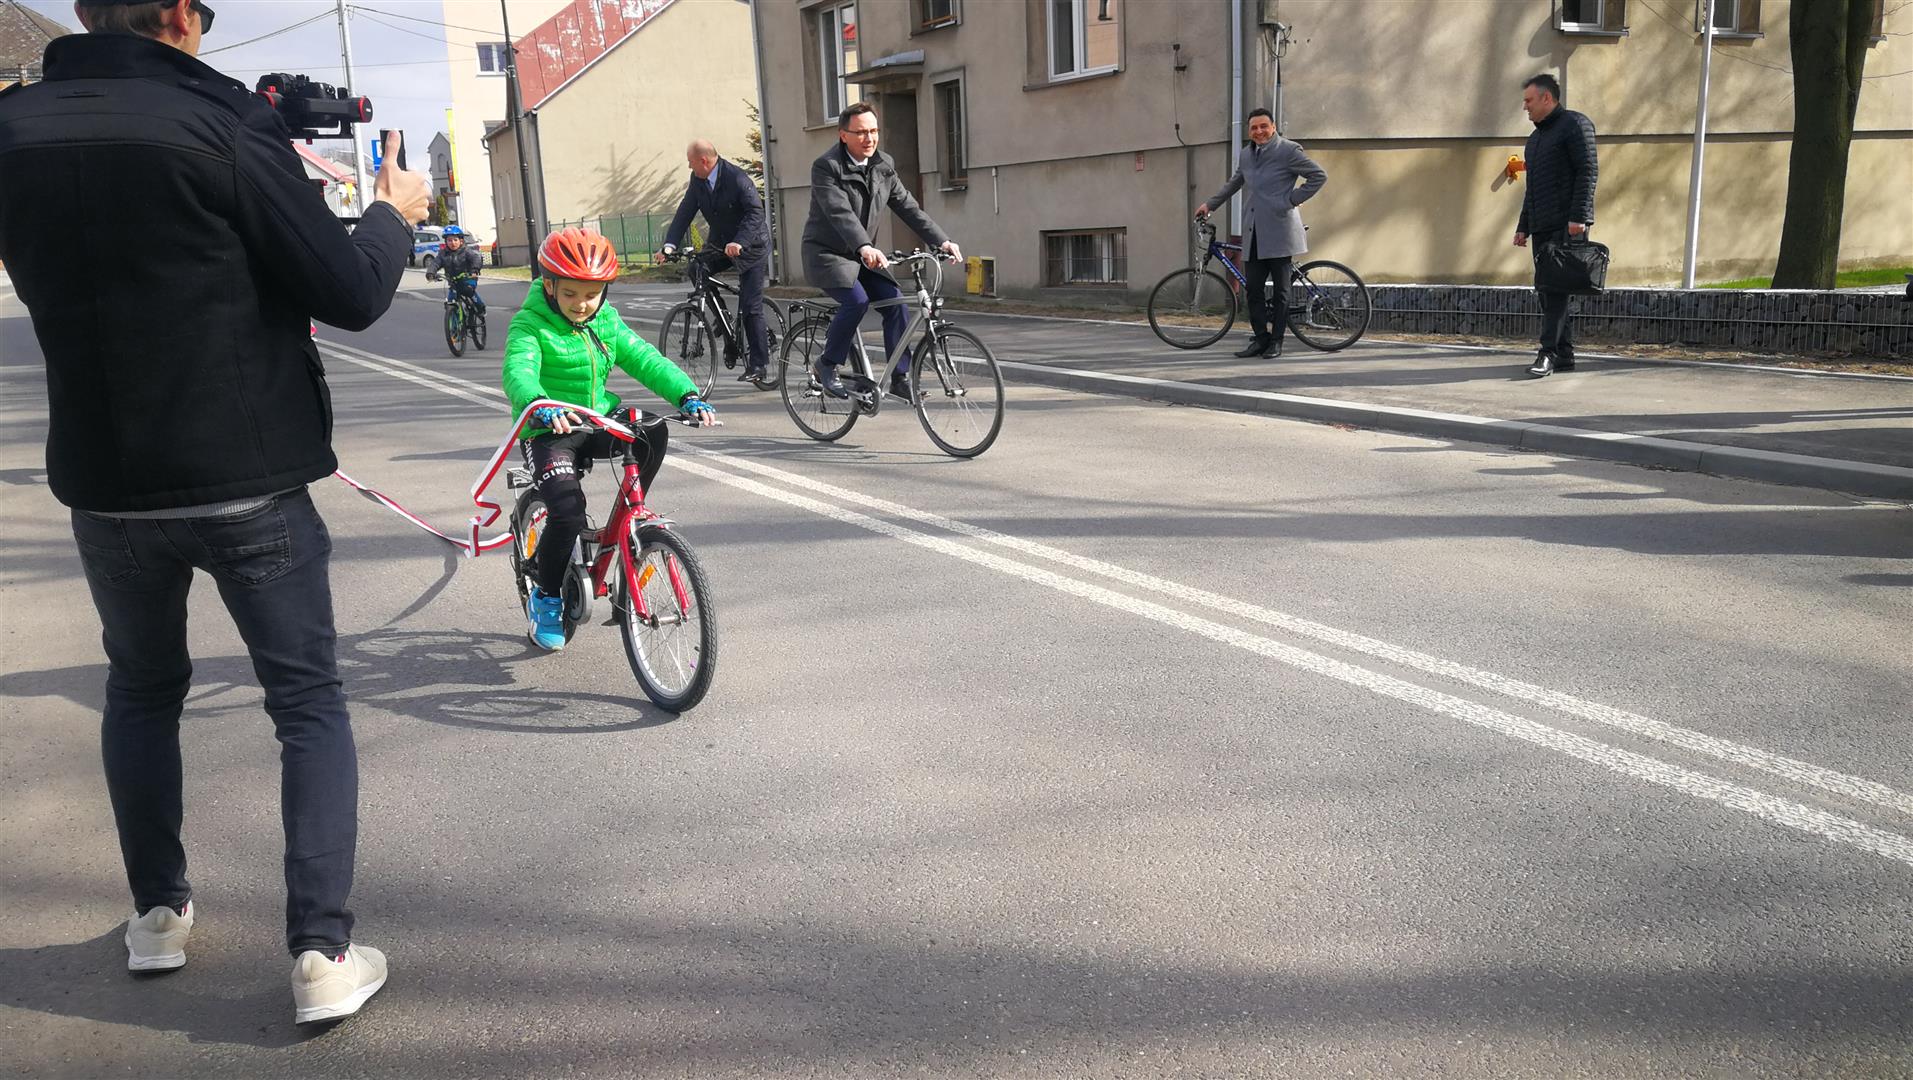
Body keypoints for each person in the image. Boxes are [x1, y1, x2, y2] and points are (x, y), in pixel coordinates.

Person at [0, 0, 431, 1024]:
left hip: (107, 484)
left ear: (85, 12)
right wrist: (393, 211)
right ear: (183, 17)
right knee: (306, 703)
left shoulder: (12, 128)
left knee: (142, 691)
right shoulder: (224, 122)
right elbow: (350, 290)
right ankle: (321, 951)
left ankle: (157, 915)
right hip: (249, 475)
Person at [502, 228, 717, 651]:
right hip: (549, 429)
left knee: (652, 429)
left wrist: (687, 395)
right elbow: (518, 372)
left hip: (595, 419)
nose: (582, 304)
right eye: (570, 294)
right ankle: (546, 597)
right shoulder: (529, 324)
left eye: (592, 294)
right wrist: (539, 404)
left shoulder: (605, 321)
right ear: (549, 286)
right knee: (567, 513)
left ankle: (630, 519)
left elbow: (645, 359)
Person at [801, 101, 961, 400]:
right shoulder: (827, 167)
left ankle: (900, 378)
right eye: (861, 132)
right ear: (843, 135)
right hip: (828, 255)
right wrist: (864, 245)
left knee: (896, 303)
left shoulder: (883, 165)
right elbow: (839, 212)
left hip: (862, 256)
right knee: (857, 301)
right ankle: (827, 364)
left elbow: (908, 207)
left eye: (874, 131)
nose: (870, 138)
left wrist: (942, 241)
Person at [1196, 107, 1327, 359]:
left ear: (1273, 127)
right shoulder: (1247, 154)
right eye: (1254, 128)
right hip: (1254, 230)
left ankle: (1277, 341)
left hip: (1280, 230)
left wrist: (1291, 199)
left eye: (1263, 126)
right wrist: (1210, 204)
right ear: (1249, 131)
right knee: (1253, 289)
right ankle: (1260, 339)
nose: (1259, 131)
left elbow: (1318, 176)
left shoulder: (1289, 150)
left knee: (1281, 292)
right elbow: (1235, 182)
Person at [659, 139, 772, 384]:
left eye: (691, 162)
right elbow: (685, 211)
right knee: (696, 268)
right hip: (721, 245)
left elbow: (755, 213)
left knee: (750, 307)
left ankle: (759, 365)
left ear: (703, 160)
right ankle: (722, 317)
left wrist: (740, 241)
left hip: (751, 247)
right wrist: (669, 245)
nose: (689, 167)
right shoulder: (698, 180)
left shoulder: (736, 178)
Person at [1512, 73, 1598, 378]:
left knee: (1555, 290)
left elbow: (1588, 170)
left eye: (1529, 100)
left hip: (1567, 224)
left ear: (1547, 98)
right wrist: (1523, 226)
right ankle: (1564, 355)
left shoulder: (1575, 124)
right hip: (1542, 226)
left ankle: (1547, 353)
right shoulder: (1535, 140)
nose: (1525, 106)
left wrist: (1579, 217)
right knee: (1547, 292)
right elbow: (1532, 188)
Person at [428, 225, 486, 316]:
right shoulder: (443, 253)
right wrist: (431, 273)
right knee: (450, 301)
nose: (453, 243)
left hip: (468, 279)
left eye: (455, 240)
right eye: (449, 240)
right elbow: (435, 263)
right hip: (453, 281)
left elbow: (476, 258)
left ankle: (480, 307)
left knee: (468, 291)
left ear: (461, 241)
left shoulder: (466, 251)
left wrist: (474, 270)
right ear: (446, 242)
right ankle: (454, 316)